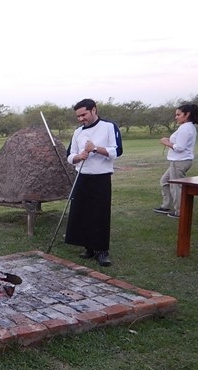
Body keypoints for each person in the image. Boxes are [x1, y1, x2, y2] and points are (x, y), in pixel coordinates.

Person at [64, 98, 123, 267]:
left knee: (99, 214)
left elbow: (117, 150)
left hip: (101, 177)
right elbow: (70, 155)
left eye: (83, 114)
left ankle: (102, 250)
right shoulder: (78, 132)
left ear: (94, 110)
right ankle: (88, 247)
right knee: (82, 213)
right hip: (82, 176)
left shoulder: (108, 127)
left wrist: (95, 148)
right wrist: (78, 157)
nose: (81, 119)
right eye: (78, 116)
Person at [154, 104, 198, 218]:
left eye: (178, 114)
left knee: (176, 186)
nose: (176, 117)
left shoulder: (186, 128)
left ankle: (180, 211)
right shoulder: (186, 127)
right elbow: (180, 142)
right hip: (178, 161)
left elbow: (180, 147)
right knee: (164, 181)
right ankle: (165, 205)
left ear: (187, 114)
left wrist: (166, 142)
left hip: (180, 162)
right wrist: (169, 140)